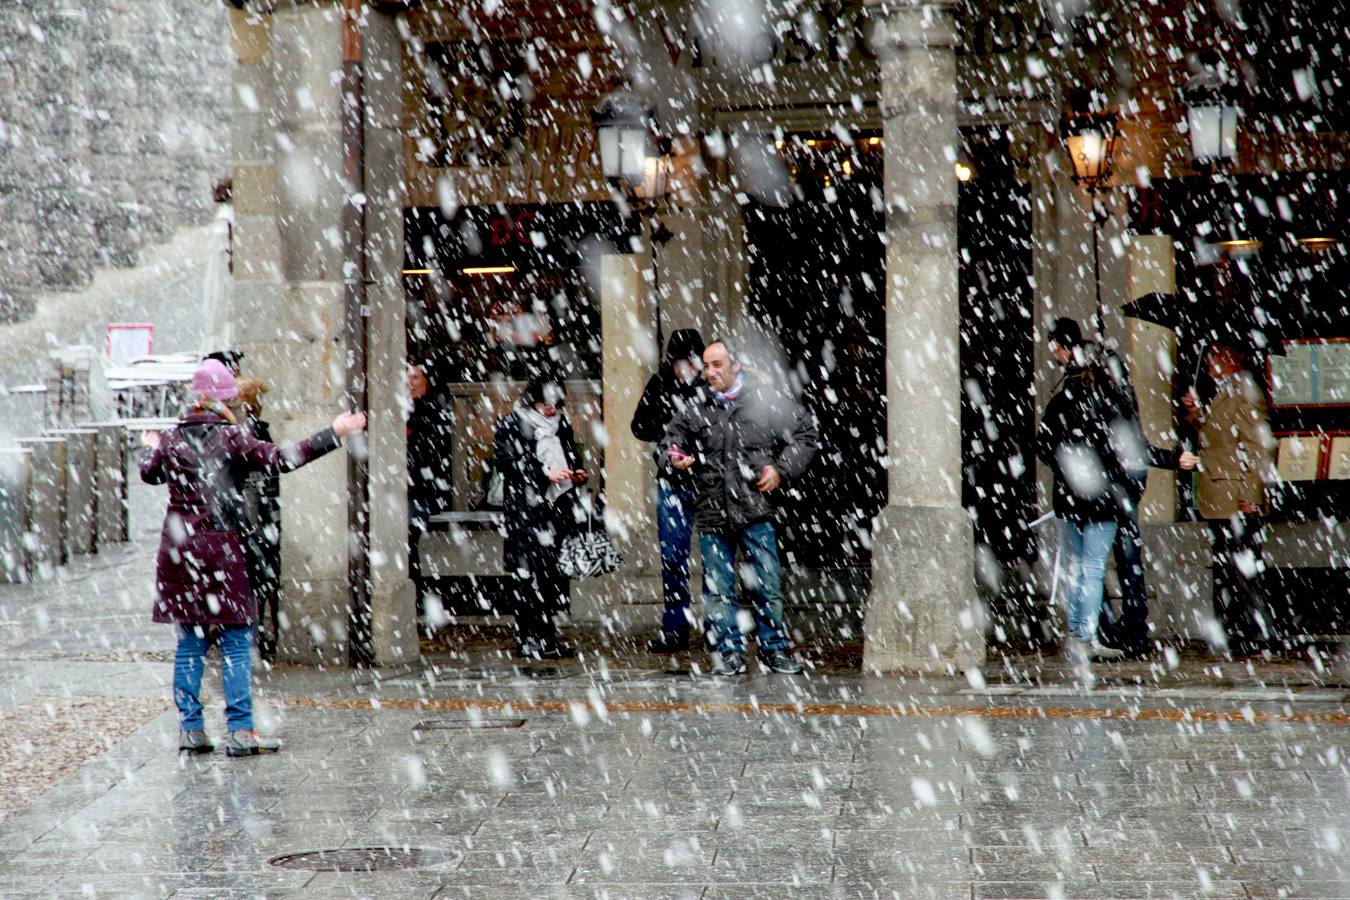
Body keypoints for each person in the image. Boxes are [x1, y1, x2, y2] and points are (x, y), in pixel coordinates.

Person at [140, 359, 366, 756]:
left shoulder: (173, 438)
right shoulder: (233, 438)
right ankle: (241, 731)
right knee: (235, 640)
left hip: (178, 551)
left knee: (190, 642)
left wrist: (152, 448)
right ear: (227, 401)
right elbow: (283, 459)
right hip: (220, 549)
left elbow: (149, 473)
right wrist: (334, 431)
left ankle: (191, 729)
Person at [662, 339, 817, 676]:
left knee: (767, 585)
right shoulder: (696, 407)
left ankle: (774, 649)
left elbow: (805, 433)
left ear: (736, 366)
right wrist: (674, 458)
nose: (710, 372)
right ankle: (729, 652)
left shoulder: (765, 400)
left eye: (717, 365)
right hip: (712, 510)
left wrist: (781, 470)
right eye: (706, 366)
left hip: (755, 507)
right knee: (718, 591)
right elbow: (669, 444)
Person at [1065, 324, 1200, 659]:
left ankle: (1110, 630)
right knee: (1119, 563)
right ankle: (1125, 629)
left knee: (1096, 566)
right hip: (1116, 492)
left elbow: (1128, 448)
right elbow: (1132, 448)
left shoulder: (1096, 400)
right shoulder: (1112, 398)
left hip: (1107, 494)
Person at [1036, 318, 1136, 664]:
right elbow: (1126, 448)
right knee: (1092, 569)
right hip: (1100, 497)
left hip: (1071, 497)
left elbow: (1043, 445)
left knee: (1080, 567)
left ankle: (1077, 634)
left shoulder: (1061, 400)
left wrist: (1068, 469)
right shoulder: (1108, 401)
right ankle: (1085, 637)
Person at [1183, 340, 1278, 656]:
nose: (1208, 365)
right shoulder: (1225, 391)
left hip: (1235, 496)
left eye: (1213, 358)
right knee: (1227, 568)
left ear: (1229, 360)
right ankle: (1231, 631)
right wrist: (1195, 412)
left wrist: (1250, 494)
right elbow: (1214, 434)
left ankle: (1257, 632)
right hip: (1220, 497)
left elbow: (1259, 446)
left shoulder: (1244, 391)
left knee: (1244, 570)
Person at [494, 375, 589, 660]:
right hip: (525, 510)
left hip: (554, 508)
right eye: (545, 404)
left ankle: (546, 637)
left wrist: (574, 473)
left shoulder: (561, 425)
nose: (550, 409)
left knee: (549, 576)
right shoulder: (514, 423)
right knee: (526, 575)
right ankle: (528, 638)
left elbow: (570, 455)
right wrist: (544, 474)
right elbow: (509, 464)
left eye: (555, 404)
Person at [630, 329, 706, 654]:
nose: (684, 370)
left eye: (689, 363)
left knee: (715, 558)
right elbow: (638, 425)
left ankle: (717, 629)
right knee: (673, 558)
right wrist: (668, 437)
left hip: (706, 480)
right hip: (672, 480)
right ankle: (675, 628)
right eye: (678, 364)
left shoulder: (709, 385)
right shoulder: (661, 384)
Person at [226, 377, 283, 662]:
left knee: (254, 577)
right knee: (263, 577)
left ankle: (255, 631)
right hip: (259, 516)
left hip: (252, 516)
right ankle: (261, 631)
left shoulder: (244, 432)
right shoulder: (251, 432)